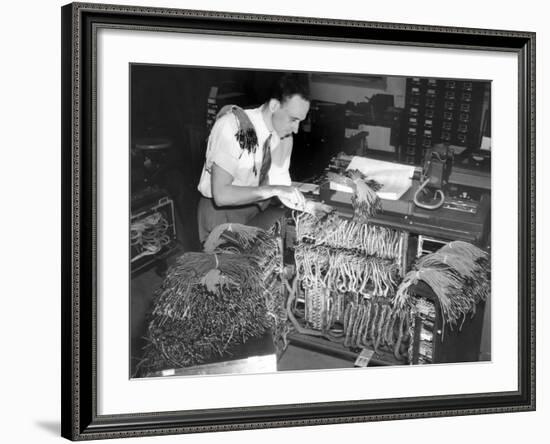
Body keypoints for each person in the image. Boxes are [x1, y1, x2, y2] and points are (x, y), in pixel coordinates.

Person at [197, 73, 310, 242]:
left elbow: (280, 185)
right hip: (221, 215)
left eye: (300, 121)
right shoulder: (233, 127)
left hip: (255, 210)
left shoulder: (285, 137)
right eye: (293, 119)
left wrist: (307, 206)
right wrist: (274, 190)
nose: (296, 129)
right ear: (274, 106)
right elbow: (221, 195)